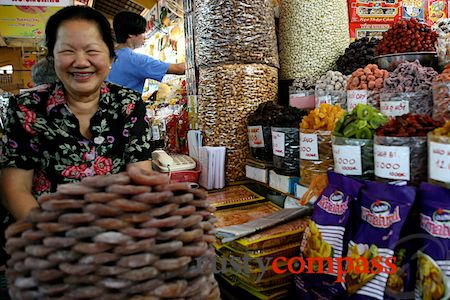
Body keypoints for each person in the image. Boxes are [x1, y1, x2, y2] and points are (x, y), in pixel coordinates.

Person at [0, 5, 153, 221]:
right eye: (67, 51)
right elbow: (14, 189)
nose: (81, 62)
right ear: (52, 58)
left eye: (92, 51)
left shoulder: (129, 104)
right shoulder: (27, 107)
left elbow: (140, 179)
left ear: (110, 58)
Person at [107, 11, 185, 93]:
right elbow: (179, 69)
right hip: (131, 103)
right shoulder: (135, 60)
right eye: (142, 32)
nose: (144, 37)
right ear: (131, 34)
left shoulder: (109, 57)